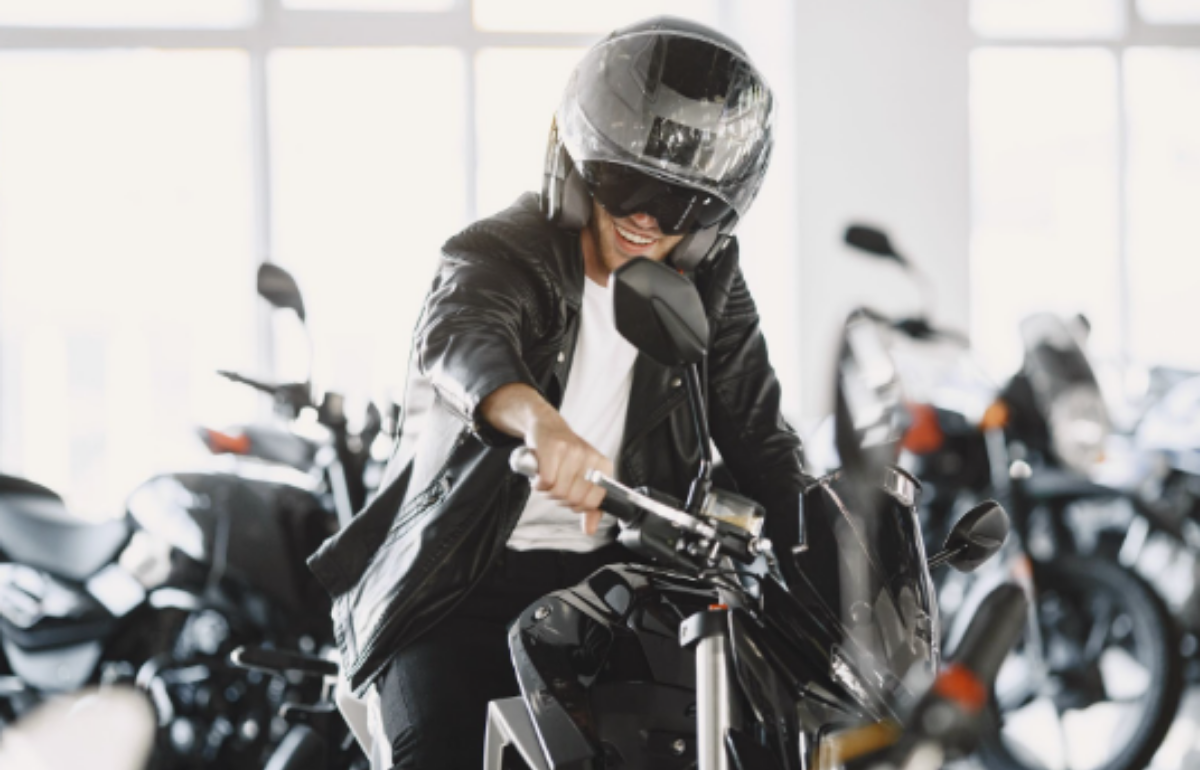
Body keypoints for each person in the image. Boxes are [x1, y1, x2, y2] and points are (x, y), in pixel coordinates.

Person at [307, 16, 806, 769]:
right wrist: (540, 423)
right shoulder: (504, 251)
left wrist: (852, 553)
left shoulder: (709, 286)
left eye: (678, 202)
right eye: (626, 182)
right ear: (578, 164)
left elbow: (762, 436)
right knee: (434, 752)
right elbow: (463, 339)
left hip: (614, 584)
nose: (646, 216)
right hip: (459, 583)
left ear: (713, 215)